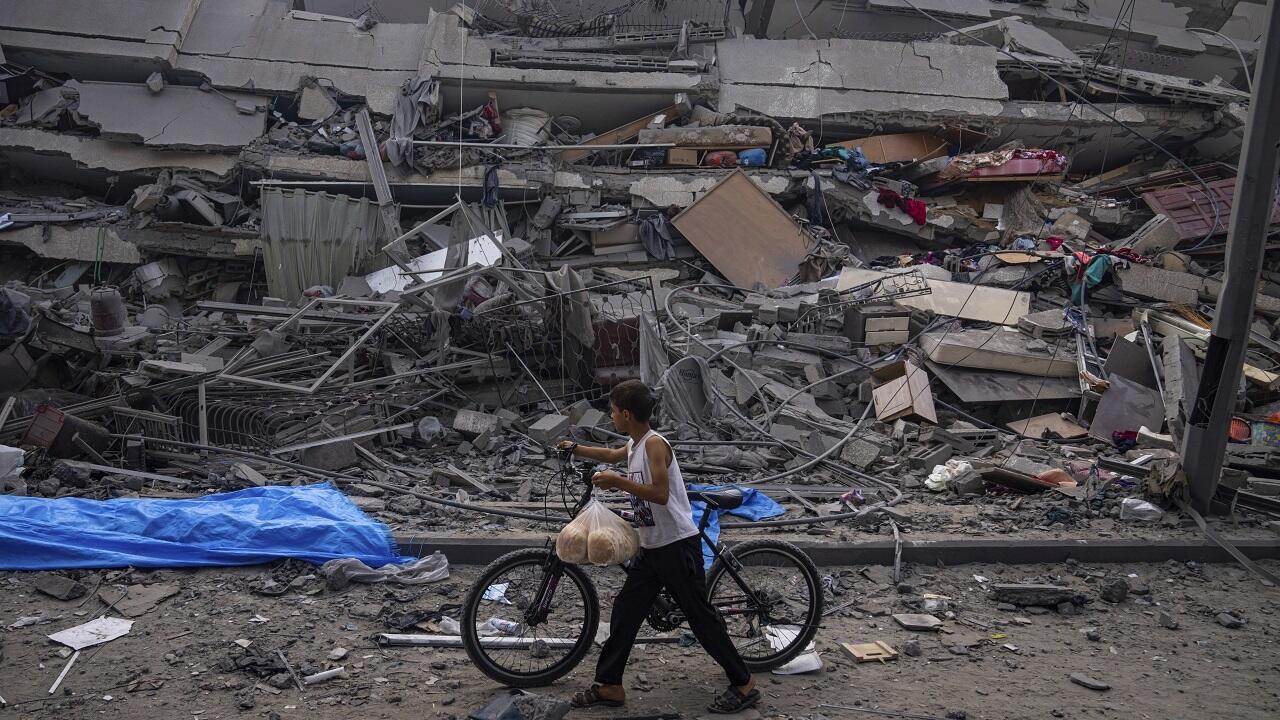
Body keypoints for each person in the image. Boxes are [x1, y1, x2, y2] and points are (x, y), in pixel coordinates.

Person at [556, 379, 760, 714]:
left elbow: (660, 493)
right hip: (653, 547)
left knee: (699, 617)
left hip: (676, 545)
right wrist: (575, 448)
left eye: (612, 411)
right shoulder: (635, 444)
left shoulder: (654, 444)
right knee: (626, 610)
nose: (611, 416)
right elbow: (610, 453)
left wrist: (617, 481)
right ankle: (610, 685)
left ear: (625, 413)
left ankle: (744, 683)